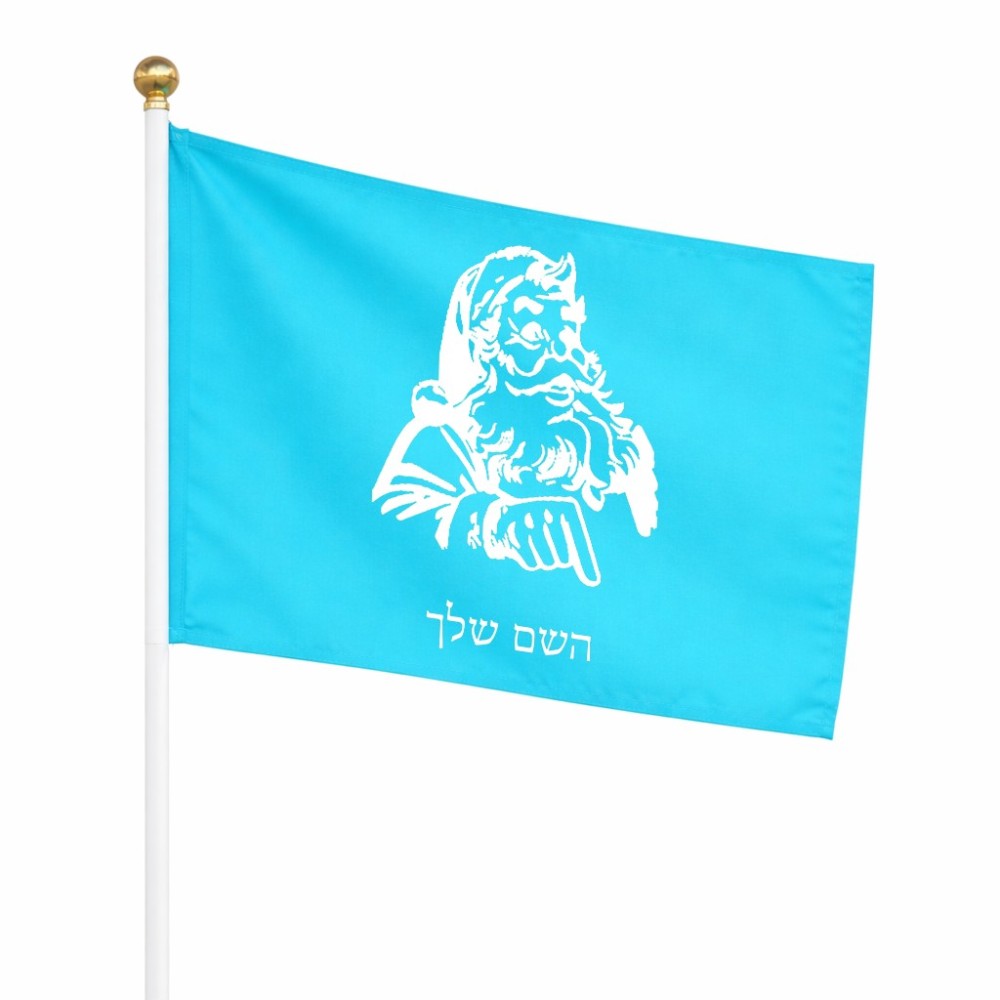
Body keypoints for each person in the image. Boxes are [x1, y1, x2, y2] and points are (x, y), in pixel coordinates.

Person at [372, 247, 657, 587]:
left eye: (567, 331)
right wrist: (492, 525)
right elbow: (385, 528)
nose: (562, 354)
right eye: (534, 335)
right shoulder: (443, 440)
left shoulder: (615, 453)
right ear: (486, 350)